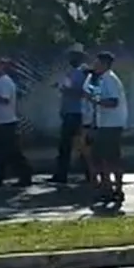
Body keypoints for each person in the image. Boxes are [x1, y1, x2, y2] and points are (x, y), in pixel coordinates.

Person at [0, 58, 33, 188]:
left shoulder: (5, 82)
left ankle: (25, 175)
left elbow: (5, 99)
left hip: (5, 123)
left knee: (12, 152)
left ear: (3, 67)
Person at [89, 51, 128, 203]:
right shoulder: (102, 79)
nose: (95, 66)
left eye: (97, 63)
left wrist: (95, 100)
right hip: (104, 124)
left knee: (111, 158)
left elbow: (113, 102)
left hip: (112, 124)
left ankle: (116, 189)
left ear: (104, 64)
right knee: (101, 158)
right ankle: (107, 188)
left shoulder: (110, 79)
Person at [51, 46, 89, 183]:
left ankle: (88, 173)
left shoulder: (81, 73)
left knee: (71, 145)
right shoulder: (71, 72)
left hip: (76, 113)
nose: (71, 59)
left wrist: (66, 90)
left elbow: (81, 92)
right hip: (69, 112)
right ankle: (63, 174)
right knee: (70, 145)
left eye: (74, 56)